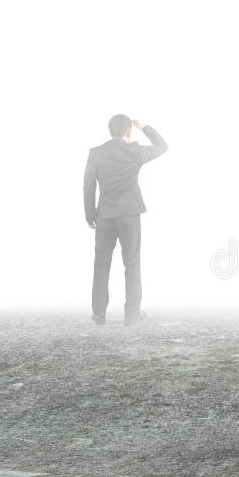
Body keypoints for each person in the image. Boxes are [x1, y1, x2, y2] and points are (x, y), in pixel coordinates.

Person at [83, 115, 169, 325]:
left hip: (104, 216)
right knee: (132, 265)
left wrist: (90, 216)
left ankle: (99, 315)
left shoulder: (96, 153)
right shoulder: (135, 152)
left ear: (109, 130)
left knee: (101, 263)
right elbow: (162, 145)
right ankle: (132, 316)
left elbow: (88, 187)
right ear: (128, 132)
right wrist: (145, 126)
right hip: (130, 215)